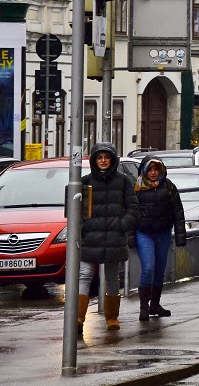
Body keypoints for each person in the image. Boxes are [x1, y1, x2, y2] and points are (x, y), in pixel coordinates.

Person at [78, 142, 139, 333]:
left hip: (114, 238)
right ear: (94, 160)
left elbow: (133, 208)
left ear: (112, 159)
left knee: (112, 277)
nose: (103, 161)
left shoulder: (123, 180)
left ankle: (112, 317)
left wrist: (122, 225)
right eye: (99, 157)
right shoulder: (85, 181)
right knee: (85, 275)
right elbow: (77, 210)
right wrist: (84, 227)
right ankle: (78, 318)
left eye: (106, 157)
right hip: (90, 238)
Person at [134, 155, 187, 321]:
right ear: (144, 170)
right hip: (144, 233)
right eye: (150, 169)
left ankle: (155, 304)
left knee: (159, 270)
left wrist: (180, 235)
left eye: (156, 169)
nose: (153, 173)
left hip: (163, 232)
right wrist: (129, 236)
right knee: (148, 268)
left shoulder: (169, 186)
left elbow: (178, 211)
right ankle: (144, 306)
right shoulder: (137, 187)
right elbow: (129, 212)